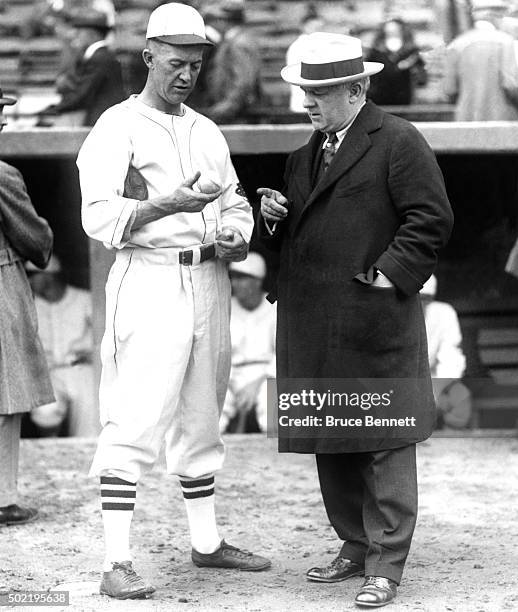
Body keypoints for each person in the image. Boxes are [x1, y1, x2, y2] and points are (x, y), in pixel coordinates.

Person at [76, 2, 270, 600]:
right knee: (134, 416)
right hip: (149, 277)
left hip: (208, 277)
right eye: (176, 62)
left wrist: (238, 233)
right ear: (149, 55)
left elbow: (233, 202)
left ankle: (206, 543)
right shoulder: (117, 126)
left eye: (196, 63)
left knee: (201, 414)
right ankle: (115, 559)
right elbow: (96, 216)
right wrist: (165, 205)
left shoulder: (205, 129)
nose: (186, 73)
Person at [258, 33, 453, 608]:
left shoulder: (398, 140)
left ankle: (386, 564)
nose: (308, 103)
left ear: (358, 88)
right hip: (314, 321)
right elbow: (303, 231)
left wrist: (384, 278)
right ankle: (353, 543)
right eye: (303, 92)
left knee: (386, 442)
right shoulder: (303, 156)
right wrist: (274, 217)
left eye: (319, 92)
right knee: (332, 437)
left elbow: (430, 219)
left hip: (375, 321)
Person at [0, 88, 54, 526]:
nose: (2, 119)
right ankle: (2, 498)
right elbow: (36, 241)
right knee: (7, 393)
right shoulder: (2, 174)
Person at [26, 255, 98, 438]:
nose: (29, 280)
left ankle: (84, 456)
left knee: (88, 419)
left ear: (49, 275)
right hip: (48, 371)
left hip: (81, 368)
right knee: (45, 412)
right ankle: (50, 451)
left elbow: (104, 334)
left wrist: (93, 353)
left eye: (33, 275)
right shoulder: (30, 306)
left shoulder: (83, 299)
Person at [221, 252, 276, 433]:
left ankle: (276, 461)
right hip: (230, 376)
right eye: (234, 278)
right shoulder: (225, 307)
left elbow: (283, 355)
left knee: (272, 418)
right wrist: (230, 383)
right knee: (212, 421)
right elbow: (217, 354)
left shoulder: (275, 307)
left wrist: (257, 384)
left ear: (258, 281)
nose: (235, 284)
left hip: (266, 375)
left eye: (242, 278)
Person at [40, 10, 124, 127]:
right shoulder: (99, 56)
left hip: (101, 121)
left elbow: (82, 94)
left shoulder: (99, 58)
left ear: (92, 34)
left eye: (79, 32)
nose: (75, 35)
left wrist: (54, 109)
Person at [443, 0, 518, 121]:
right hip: (501, 119)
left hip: (465, 120)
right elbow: (510, 85)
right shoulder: (505, 42)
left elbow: (449, 89)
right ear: (496, 15)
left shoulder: (456, 44)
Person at [420, 275, 472, 429]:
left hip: (435, 382)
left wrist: (437, 390)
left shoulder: (444, 313)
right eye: (418, 298)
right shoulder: (393, 314)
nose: (421, 303)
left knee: (460, 397)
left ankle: (449, 449)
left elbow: (451, 357)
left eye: (426, 298)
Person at [203, 0, 263, 123]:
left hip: (236, 114)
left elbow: (244, 82)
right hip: (232, 110)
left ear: (225, 21)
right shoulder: (234, 41)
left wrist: (226, 107)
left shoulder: (239, 43)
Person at [366, 17, 427, 106]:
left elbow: (421, 74)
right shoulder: (376, 50)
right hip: (379, 94)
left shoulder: (411, 50)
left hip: (403, 94)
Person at [286, 5, 326, 113]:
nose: (319, 32)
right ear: (305, 27)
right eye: (316, 28)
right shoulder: (303, 47)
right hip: (305, 103)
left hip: (310, 103)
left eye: (321, 28)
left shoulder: (313, 45)